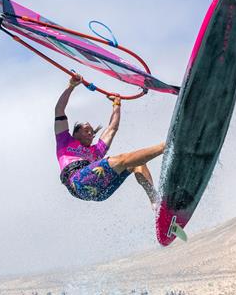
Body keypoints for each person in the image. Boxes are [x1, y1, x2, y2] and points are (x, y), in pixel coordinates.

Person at [54, 74, 162, 206]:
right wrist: (71, 86)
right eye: (86, 130)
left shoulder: (96, 151)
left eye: (92, 133)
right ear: (75, 133)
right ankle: (165, 146)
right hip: (77, 181)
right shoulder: (65, 140)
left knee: (137, 163)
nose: (91, 134)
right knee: (124, 158)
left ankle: (156, 204)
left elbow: (112, 129)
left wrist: (116, 105)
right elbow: (59, 109)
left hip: (99, 192)